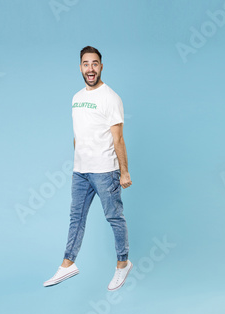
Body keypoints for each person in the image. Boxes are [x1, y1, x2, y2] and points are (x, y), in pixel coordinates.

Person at [44, 46, 133, 291]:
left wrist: (123, 172)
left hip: (105, 171)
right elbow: (79, 134)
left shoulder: (111, 98)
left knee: (114, 217)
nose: (90, 68)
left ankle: (123, 264)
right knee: (76, 217)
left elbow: (119, 138)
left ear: (101, 67)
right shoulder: (76, 98)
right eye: (86, 64)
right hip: (81, 171)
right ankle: (67, 264)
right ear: (80, 67)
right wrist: (78, 161)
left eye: (95, 64)